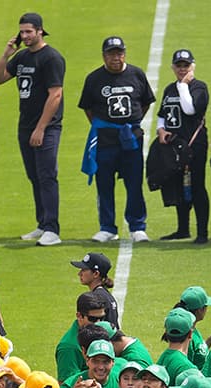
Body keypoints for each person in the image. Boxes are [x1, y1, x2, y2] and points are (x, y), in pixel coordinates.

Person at [0, 12, 64, 246]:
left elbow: (56, 95)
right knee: (34, 176)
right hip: (25, 126)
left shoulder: (51, 58)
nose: (25, 36)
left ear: (40, 31)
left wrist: (41, 128)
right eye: (22, 32)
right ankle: (42, 223)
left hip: (46, 128)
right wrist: (6, 54)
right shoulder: (22, 57)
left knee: (47, 176)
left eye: (29, 32)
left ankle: (52, 229)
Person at [79, 36, 154, 243]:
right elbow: (88, 108)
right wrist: (105, 128)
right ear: (104, 56)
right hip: (105, 141)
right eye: (111, 54)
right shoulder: (94, 79)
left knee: (134, 182)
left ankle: (137, 226)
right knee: (104, 184)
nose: (116, 58)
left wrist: (132, 124)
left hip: (132, 141)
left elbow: (146, 102)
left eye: (119, 53)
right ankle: (107, 227)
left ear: (125, 54)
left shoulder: (136, 74)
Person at [155, 49, 209, 243]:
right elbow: (162, 114)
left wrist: (184, 85)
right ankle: (183, 229)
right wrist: (160, 130)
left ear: (192, 66)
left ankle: (202, 233)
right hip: (174, 146)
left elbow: (190, 108)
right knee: (178, 185)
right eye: (179, 65)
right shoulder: (169, 89)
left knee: (197, 187)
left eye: (186, 65)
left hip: (194, 146)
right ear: (172, 67)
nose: (182, 69)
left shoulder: (198, 87)